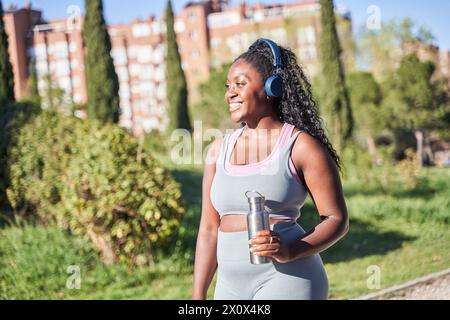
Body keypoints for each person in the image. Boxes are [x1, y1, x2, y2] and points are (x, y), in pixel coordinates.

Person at [192, 38, 349, 300]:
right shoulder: (217, 151)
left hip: (288, 279)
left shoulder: (300, 146)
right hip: (229, 286)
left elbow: (336, 219)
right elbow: (208, 229)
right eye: (228, 86)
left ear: (270, 88)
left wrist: (291, 250)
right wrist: (197, 297)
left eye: (240, 84)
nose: (229, 93)